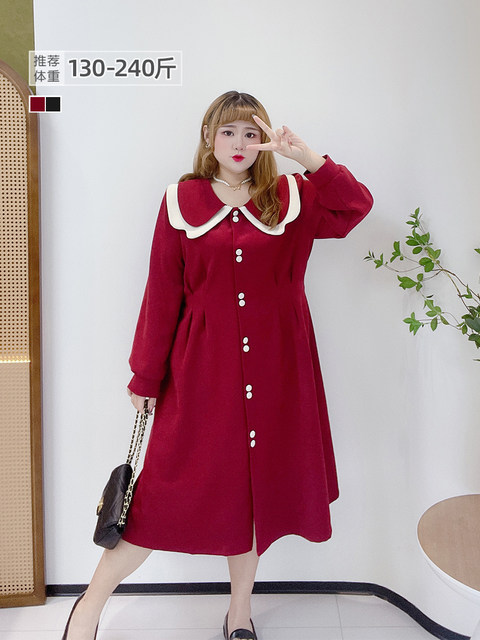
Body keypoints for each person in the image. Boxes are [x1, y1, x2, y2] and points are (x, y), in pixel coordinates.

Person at [62, 90, 373, 640]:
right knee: (156, 499)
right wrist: (146, 374)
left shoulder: (291, 196)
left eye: (251, 133)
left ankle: (239, 613)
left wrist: (308, 158)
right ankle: (88, 606)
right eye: (228, 131)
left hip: (279, 372)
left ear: (264, 140)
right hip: (202, 372)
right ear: (209, 137)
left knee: (254, 497)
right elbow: (162, 292)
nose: (239, 143)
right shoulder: (180, 201)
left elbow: (355, 208)